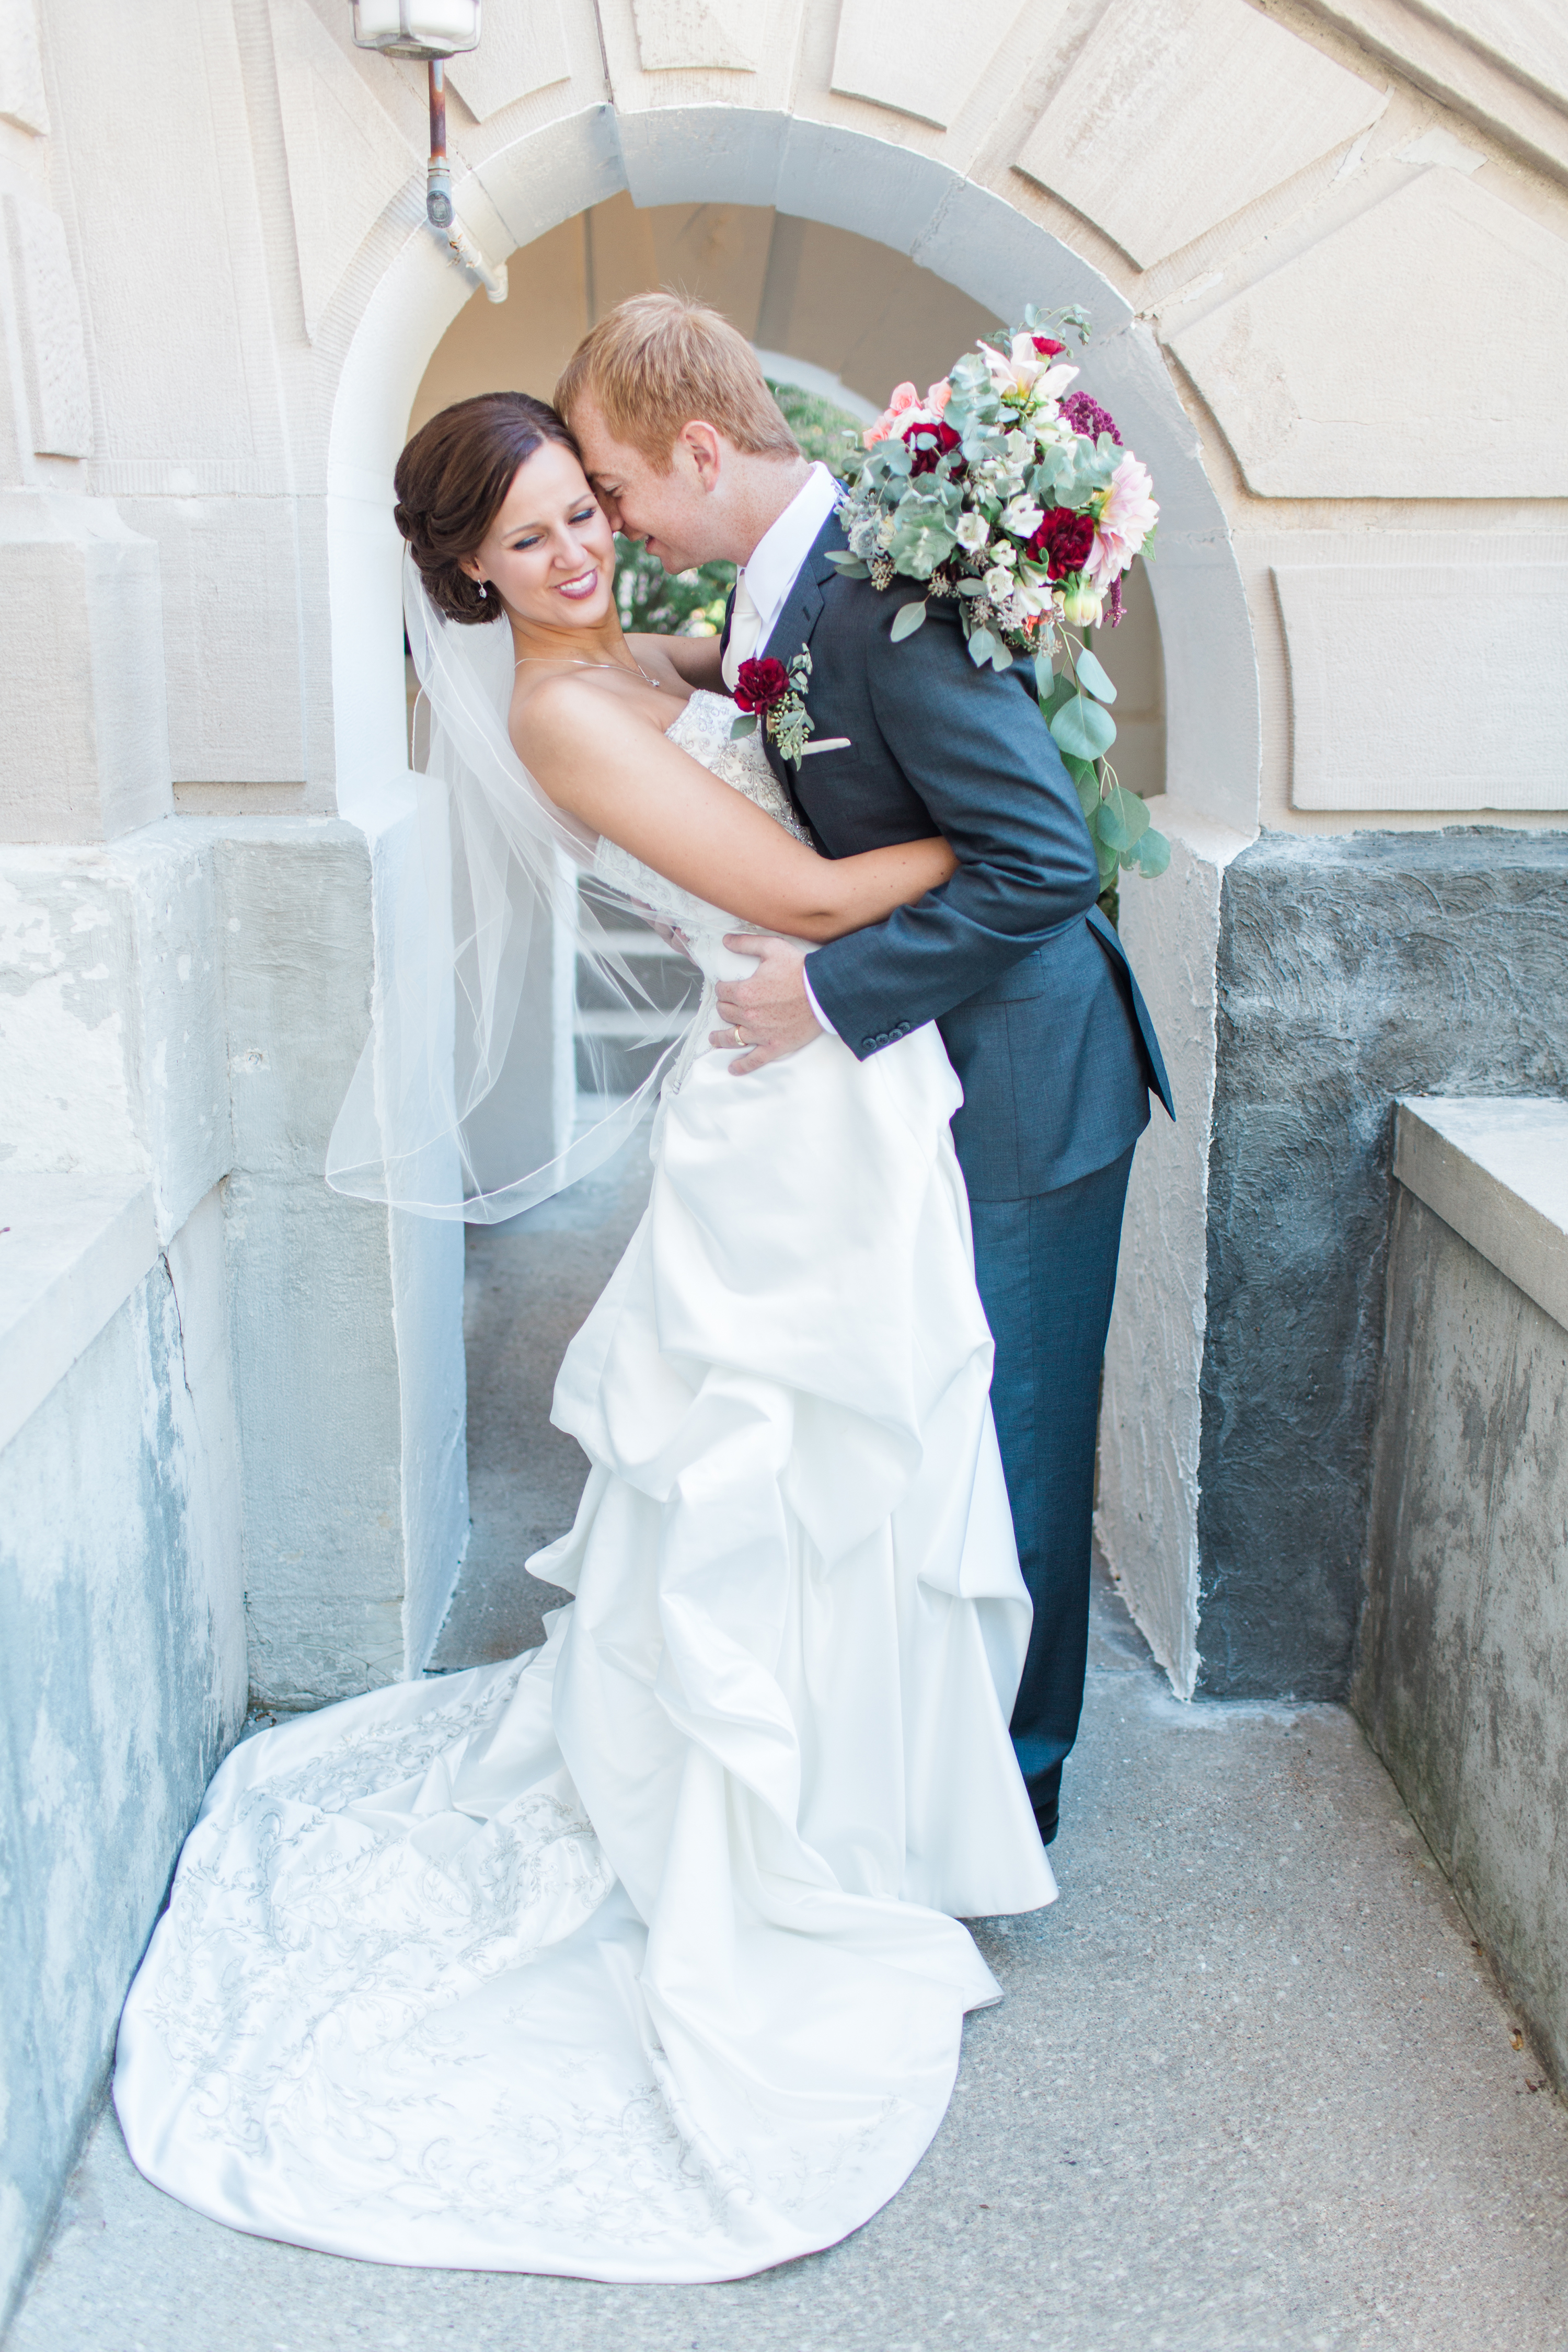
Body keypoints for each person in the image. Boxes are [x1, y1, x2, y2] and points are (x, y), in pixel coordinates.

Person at [113, 386, 1055, 2285]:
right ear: (467, 568)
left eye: (580, 509)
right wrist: (1016, 845)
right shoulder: (554, 710)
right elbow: (791, 889)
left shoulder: (634, 642)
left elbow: (791, 653)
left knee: (859, 1457)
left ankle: (862, 1803)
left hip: (832, 1083)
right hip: (783, 1082)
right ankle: (773, 1825)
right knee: (767, 1465)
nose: (575, 552)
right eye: (531, 537)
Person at [557, 295, 1172, 1850]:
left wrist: (829, 991)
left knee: (1022, 1440)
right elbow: (764, 689)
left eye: (616, 490)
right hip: (936, 1078)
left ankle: (1017, 1802)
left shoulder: (873, 587)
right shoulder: (786, 591)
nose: (612, 523)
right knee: (951, 1424)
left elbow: (1038, 860)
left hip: (1030, 1073)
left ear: (702, 448)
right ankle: (942, 1768)